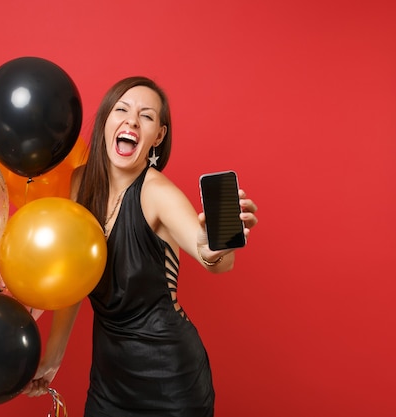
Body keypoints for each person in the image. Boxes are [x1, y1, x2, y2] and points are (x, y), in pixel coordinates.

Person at [24, 76, 259, 416]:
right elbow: (73, 280)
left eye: (146, 116)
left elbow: (211, 258)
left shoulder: (157, 193)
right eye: (122, 109)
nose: (131, 120)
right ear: (106, 121)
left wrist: (215, 246)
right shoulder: (80, 183)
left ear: (158, 136)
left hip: (171, 379)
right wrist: (52, 358)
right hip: (108, 380)